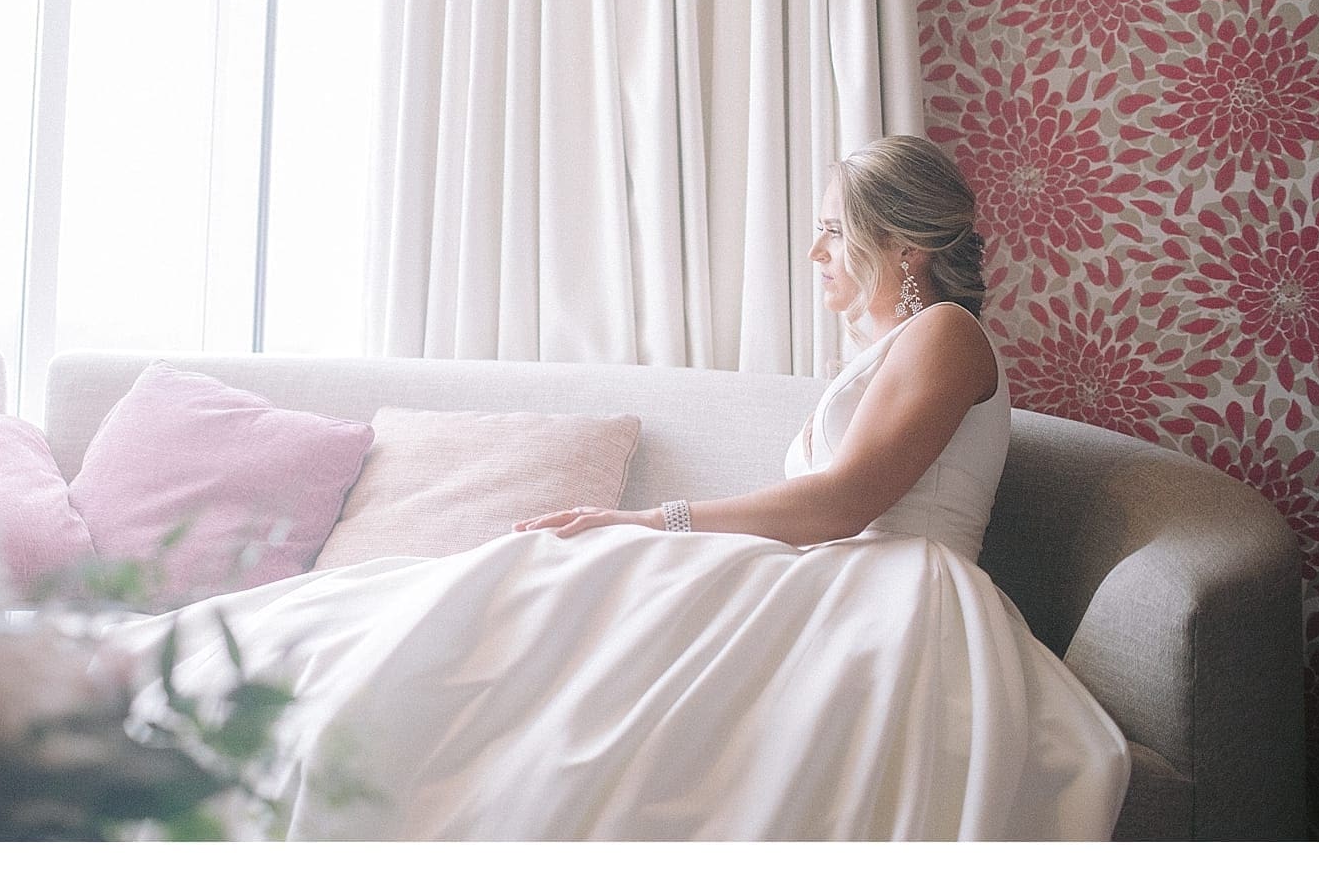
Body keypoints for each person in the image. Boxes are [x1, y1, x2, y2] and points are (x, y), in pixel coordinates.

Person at [103, 135, 1132, 839]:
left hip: (890, 586)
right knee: (537, 580)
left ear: (902, 247)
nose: (815, 250)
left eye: (833, 228)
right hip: (836, 571)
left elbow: (841, 503)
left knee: (594, 581)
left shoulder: (945, 337)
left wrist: (661, 518)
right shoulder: (897, 344)